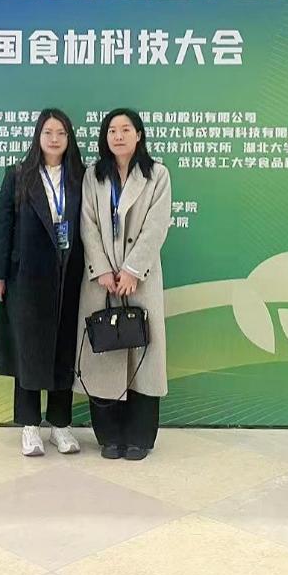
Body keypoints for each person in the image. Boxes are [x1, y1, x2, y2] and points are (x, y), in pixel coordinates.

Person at [0, 108, 86, 457]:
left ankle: (60, 424)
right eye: (48, 132)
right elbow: (2, 225)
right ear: (38, 136)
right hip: (26, 276)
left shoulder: (81, 176)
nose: (54, 139)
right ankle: (30, 425)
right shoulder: (19, 175)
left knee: (63, 349)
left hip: (69, 275)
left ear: (69, 138)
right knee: (27, 351)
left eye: (61, 132)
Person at [76, 108, 172, 461]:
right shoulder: (93, 175)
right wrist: (102, 269)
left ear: (139, 135)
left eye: (125, 129)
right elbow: (87, 223)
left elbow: (157, 226)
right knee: (105, 355)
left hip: (140, 280)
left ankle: (139, 438)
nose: (118, 136)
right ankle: (109, 437)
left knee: (142, 359)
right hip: (101, 281)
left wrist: (132, 270)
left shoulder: (157, 174)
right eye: (112, 130)